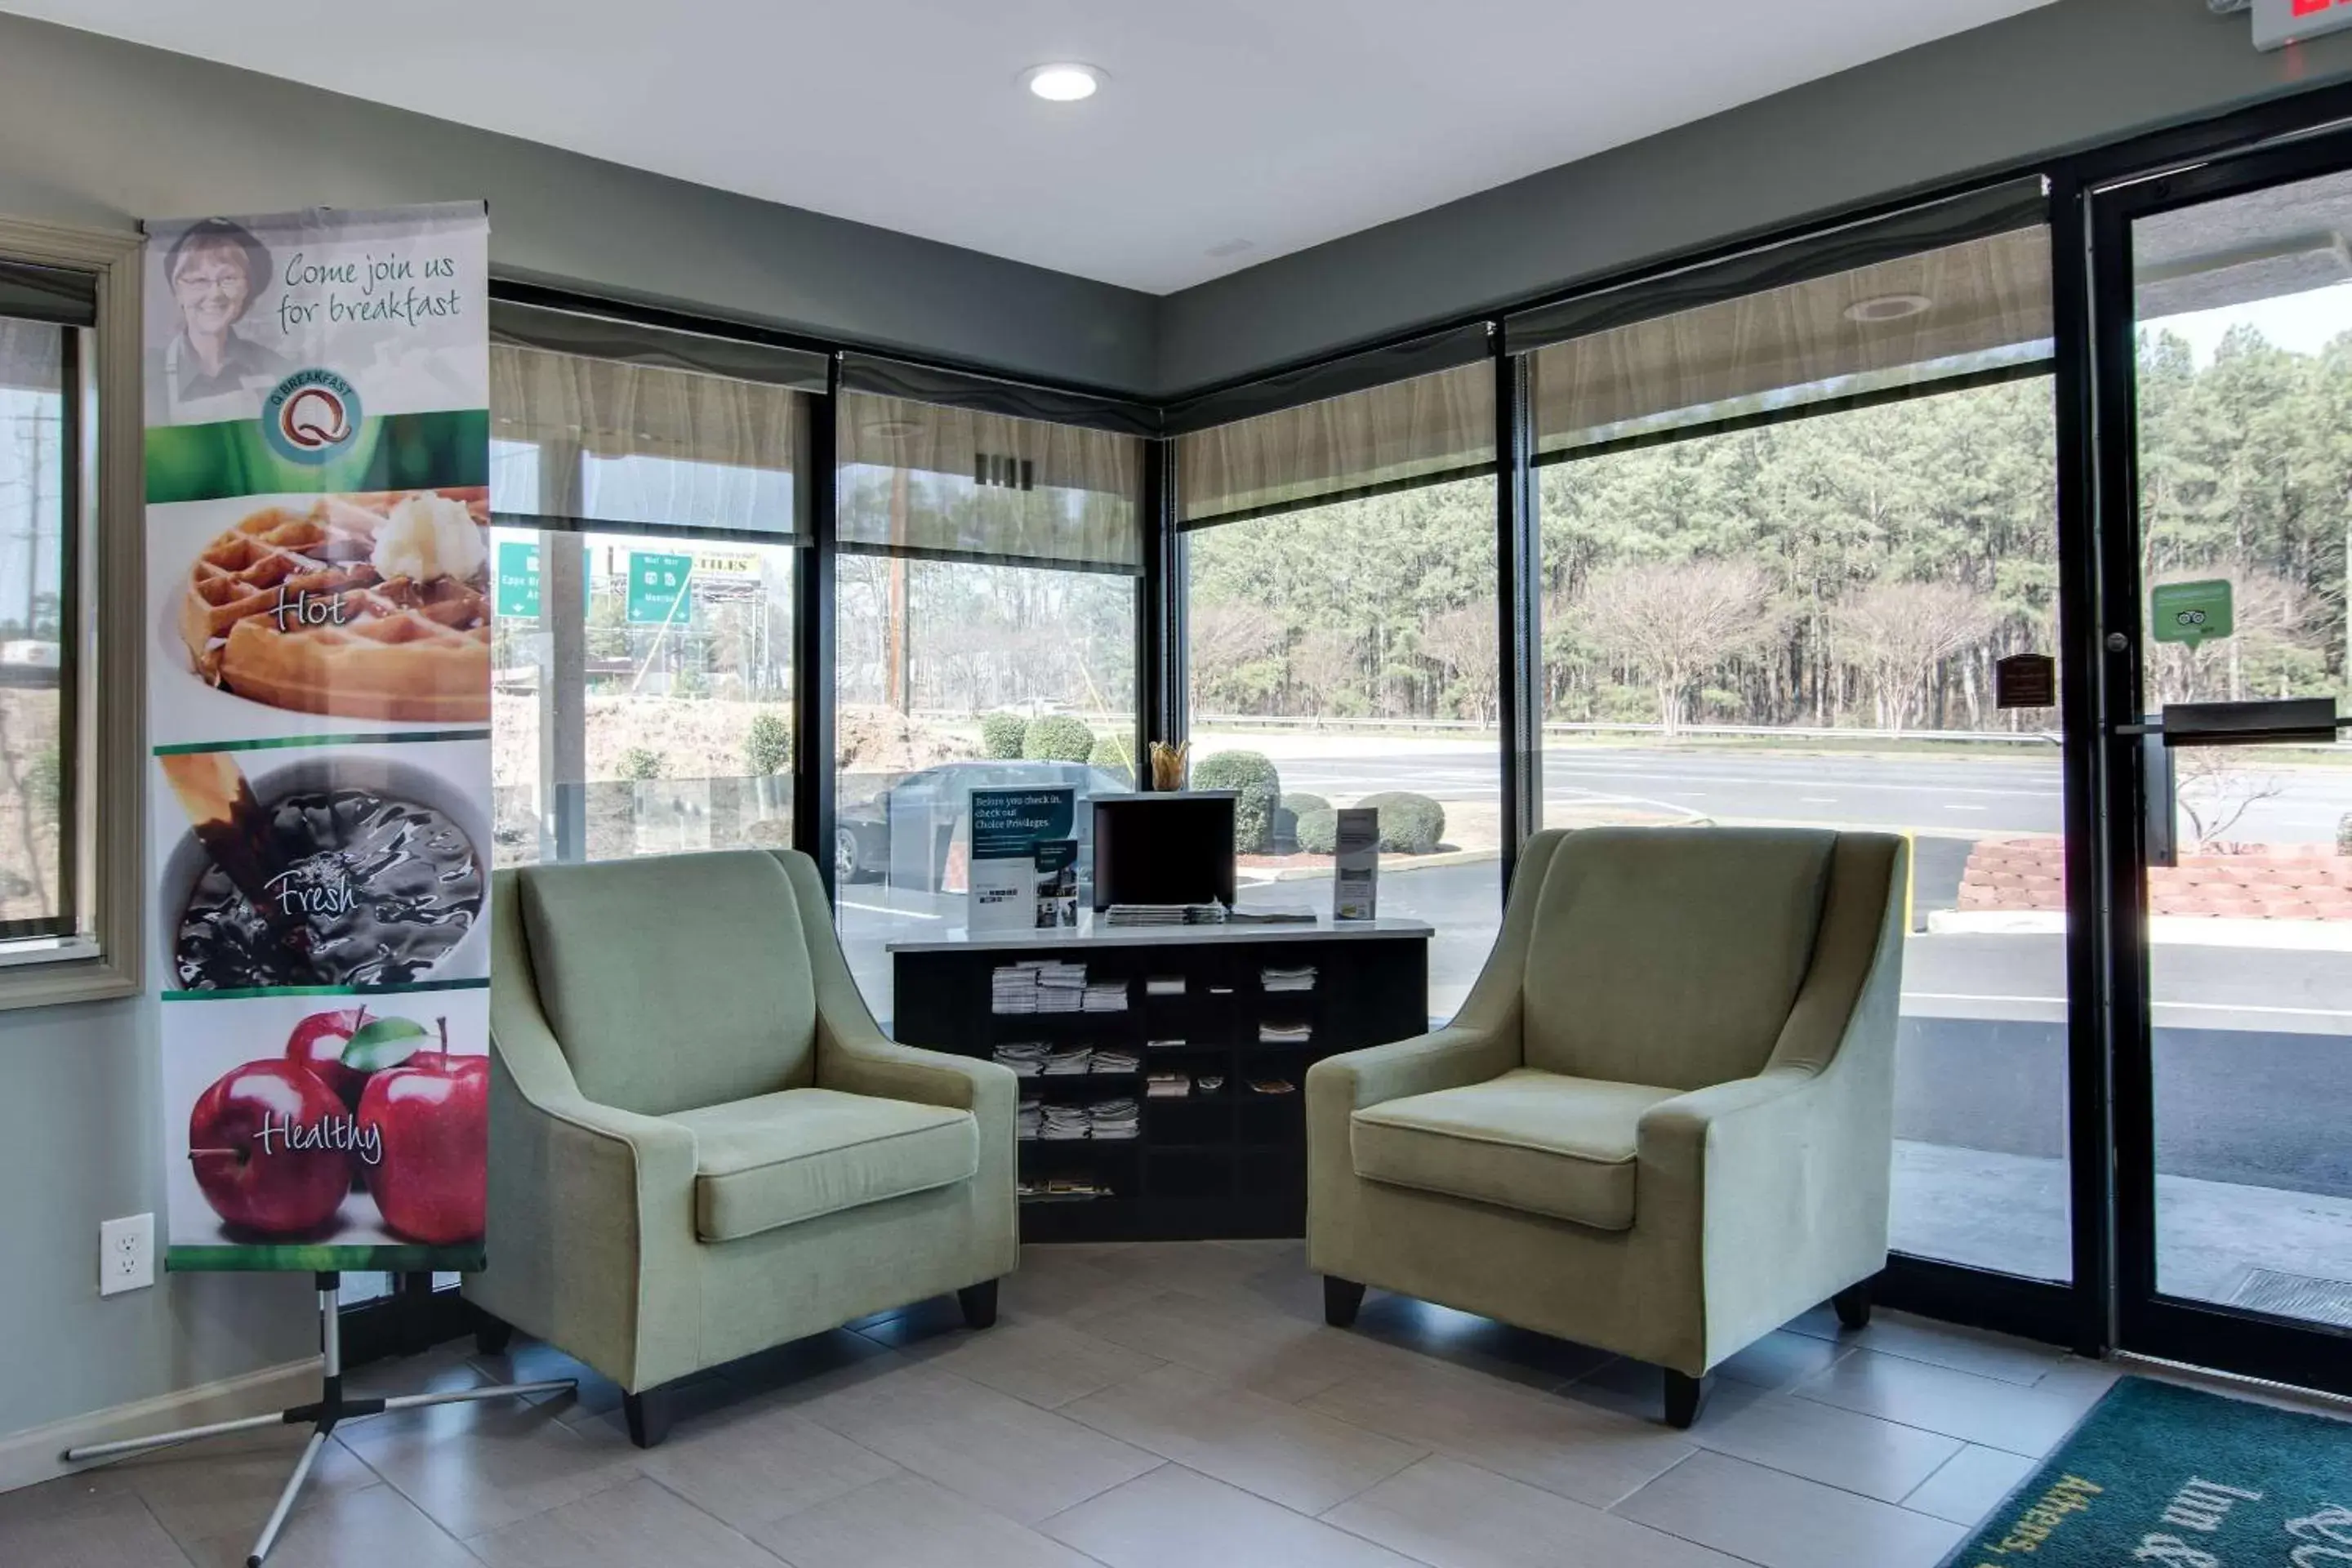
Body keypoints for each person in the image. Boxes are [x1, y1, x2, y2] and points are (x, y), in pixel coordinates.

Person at [158, 218, 286, 412]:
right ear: (178, 292)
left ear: (247, 289)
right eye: (198, 280)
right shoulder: (145, 375)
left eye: (228, 278)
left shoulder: (276, 369)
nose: (215, 294)